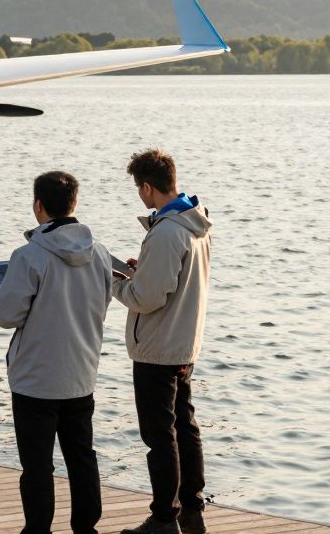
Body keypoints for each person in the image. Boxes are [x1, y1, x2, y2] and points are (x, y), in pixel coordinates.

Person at [0, 171, 112, 534]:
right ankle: (86, 527)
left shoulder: (29, 256)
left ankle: (38, 529)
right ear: (74, 203)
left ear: (38, 205)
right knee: (82, 457)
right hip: (81, 373)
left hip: (36, 379)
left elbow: (5, 315)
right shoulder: (101, 254)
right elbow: (103, 299)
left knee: (38, 465)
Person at [114, 150, 212, 534]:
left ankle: (163, 518)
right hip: (184, 341)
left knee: (160, 436)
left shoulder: (169, 230)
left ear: (148, 187)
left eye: (139, 189)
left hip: (157, 345)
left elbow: (148, 298)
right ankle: (192, 509)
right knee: (185, 428)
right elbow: (172, 280)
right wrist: (142, 273)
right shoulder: (194, 223)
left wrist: (116, 283)